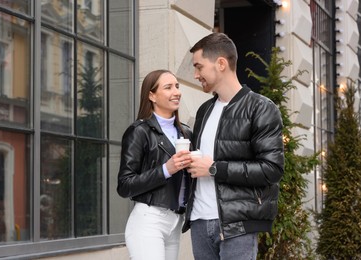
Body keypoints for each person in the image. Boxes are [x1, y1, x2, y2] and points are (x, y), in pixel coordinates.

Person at [182, 33, 284, 260]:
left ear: (221, 64)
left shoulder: (261, 108)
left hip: (237, 225)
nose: (196, 75)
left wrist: (215, 168)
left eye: (199, 67)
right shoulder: (204, 111)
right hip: (200, 222)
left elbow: (271, 170)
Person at [117, 69, 193, 260]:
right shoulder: (139, 131)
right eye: (168, 87)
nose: (176, 92)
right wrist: (166, 169)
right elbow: (125, 185)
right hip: (149, 221)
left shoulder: (186, 133)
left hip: (176, 221)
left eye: (177, 86)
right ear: (152, 95)